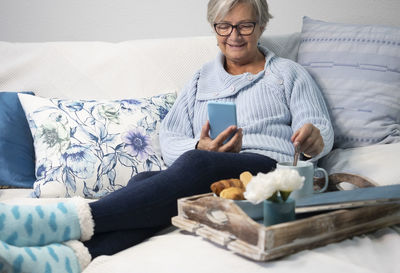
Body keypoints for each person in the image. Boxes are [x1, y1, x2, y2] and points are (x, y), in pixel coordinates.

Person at [0, 0, 334, 272]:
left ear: (261, 26)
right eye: (224, 26)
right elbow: (170, 135)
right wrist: (199, 145)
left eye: (245, 25)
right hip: (212, 178)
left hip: (265, 173)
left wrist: (311, 142)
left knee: (197, 164)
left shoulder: (288, 74)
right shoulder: (201, 79)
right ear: (214, 29)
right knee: (145, 182)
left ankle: (64, 219)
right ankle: (68, 259)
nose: (234, 35)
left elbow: (318, 129)